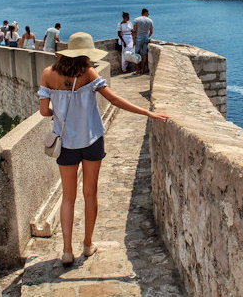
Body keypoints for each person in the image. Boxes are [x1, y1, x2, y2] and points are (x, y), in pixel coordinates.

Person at [38, 32, 169, 266]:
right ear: (86, 54)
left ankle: (67, 250)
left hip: (65, 144)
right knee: (90, 194)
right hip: (91, 141)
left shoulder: (48, 74)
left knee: (68, 197)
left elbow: (44, 111)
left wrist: (57, 112)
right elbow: (114, 99)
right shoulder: (88, 73)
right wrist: (147, 112)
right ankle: (87, 245)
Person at [132, 8, 153, 75]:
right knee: (144, 54)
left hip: (138, 38)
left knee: (136, 54)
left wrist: (133, 40)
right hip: (146, 38)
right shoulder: (150, 20)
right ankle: (143, 70)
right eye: (148, 13)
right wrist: (147, 37)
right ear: (145, 13)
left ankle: (137, 70)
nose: (148, 14)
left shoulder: (136, 20)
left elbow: (134, 31)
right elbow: (151, 31)